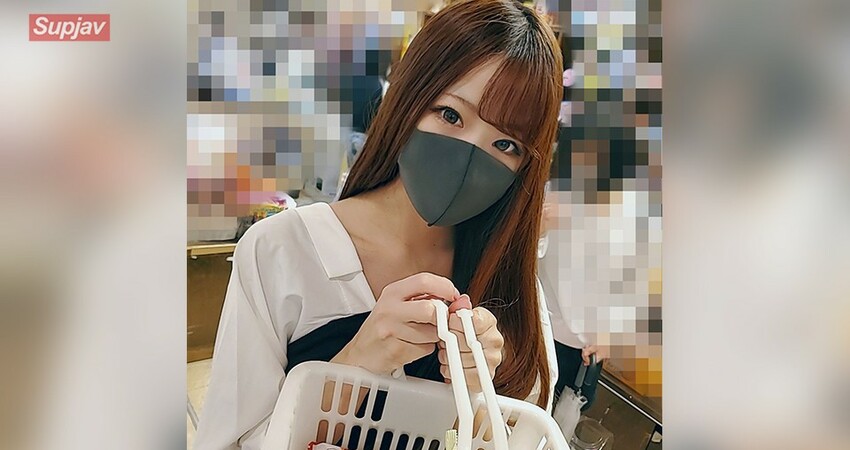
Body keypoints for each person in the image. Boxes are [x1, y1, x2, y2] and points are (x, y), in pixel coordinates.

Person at [194, 1, 563, 448]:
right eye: (450, 115)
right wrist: (358, 362)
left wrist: (477, 396)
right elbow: (230, 440)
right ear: (409, 98)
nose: (469, 156)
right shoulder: (282, 250)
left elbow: (526, 436)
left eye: (506, 144)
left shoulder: (515, 291)